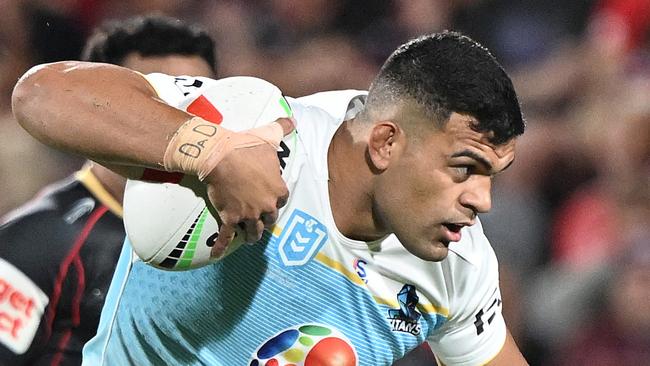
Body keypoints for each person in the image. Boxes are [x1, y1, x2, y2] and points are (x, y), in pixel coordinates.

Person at [12, 31, 528, 365]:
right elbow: (41, 95)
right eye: (465, 168)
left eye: (492, 176)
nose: (481, 200)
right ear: (385, 142)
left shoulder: (462, 265)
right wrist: (208, 151)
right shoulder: (256, 130)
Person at [0, 15, 216, 365]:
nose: (179, 126)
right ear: (98, 116)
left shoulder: (240, 236)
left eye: (197, 106)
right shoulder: (34, 243)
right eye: (154, 105)